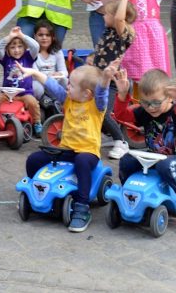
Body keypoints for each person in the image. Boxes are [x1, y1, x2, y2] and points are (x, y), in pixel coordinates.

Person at [20, 60, 119, 232]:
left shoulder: (96, 106)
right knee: (34, 160)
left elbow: (102, 93)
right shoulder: (69, 100)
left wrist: (105, 79)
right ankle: (35, 193)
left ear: (87, 93)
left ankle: (82, 207)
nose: (67, 87)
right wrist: (35, 73)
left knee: (81, 162)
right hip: (65, 150)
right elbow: (52, 86)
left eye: (71, 85)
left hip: (87, 153)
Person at [113, 68, 176, 231]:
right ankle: (130, 195)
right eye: (145, 103)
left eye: (156, 102)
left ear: (169, 97)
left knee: (166, 165)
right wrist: (122, 95)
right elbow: (122, 117)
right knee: (127, 159)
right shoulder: (145, 112)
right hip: (153, 157)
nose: (151, 107)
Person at [89, 0, 137, 160]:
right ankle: (109, 135)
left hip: (112, 81)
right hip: (101, 77)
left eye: (107, 13)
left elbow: (118, 18)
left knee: (103, 111)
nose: (103, 15)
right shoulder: (109, 31)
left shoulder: (123, 33)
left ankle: (121, 142)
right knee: (95, 108)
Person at [0, 26, 43, 137]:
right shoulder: (6, 59)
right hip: (6, 94)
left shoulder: (28, 57)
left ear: (24, 48)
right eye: (13, 47)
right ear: (8, 49)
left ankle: (37, 123)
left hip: (25, 93)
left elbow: (36, 46)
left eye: (20, 47)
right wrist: (10, 36)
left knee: (33, 103)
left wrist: (22, 36)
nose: (16, 50)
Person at [32, 19, 68, 110]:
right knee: (36, 86)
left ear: (53, 37)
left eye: (47, 35)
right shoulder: (32, 53)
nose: (44, 38)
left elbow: (64, 71)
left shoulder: (57, 51)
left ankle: (64, 103)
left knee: (65, 81)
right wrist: (48, 76)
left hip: (54, 83)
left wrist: (60, 74)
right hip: (40, 83)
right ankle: (42, 103)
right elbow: (34, 74)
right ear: (35, 36)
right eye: (40, 35)